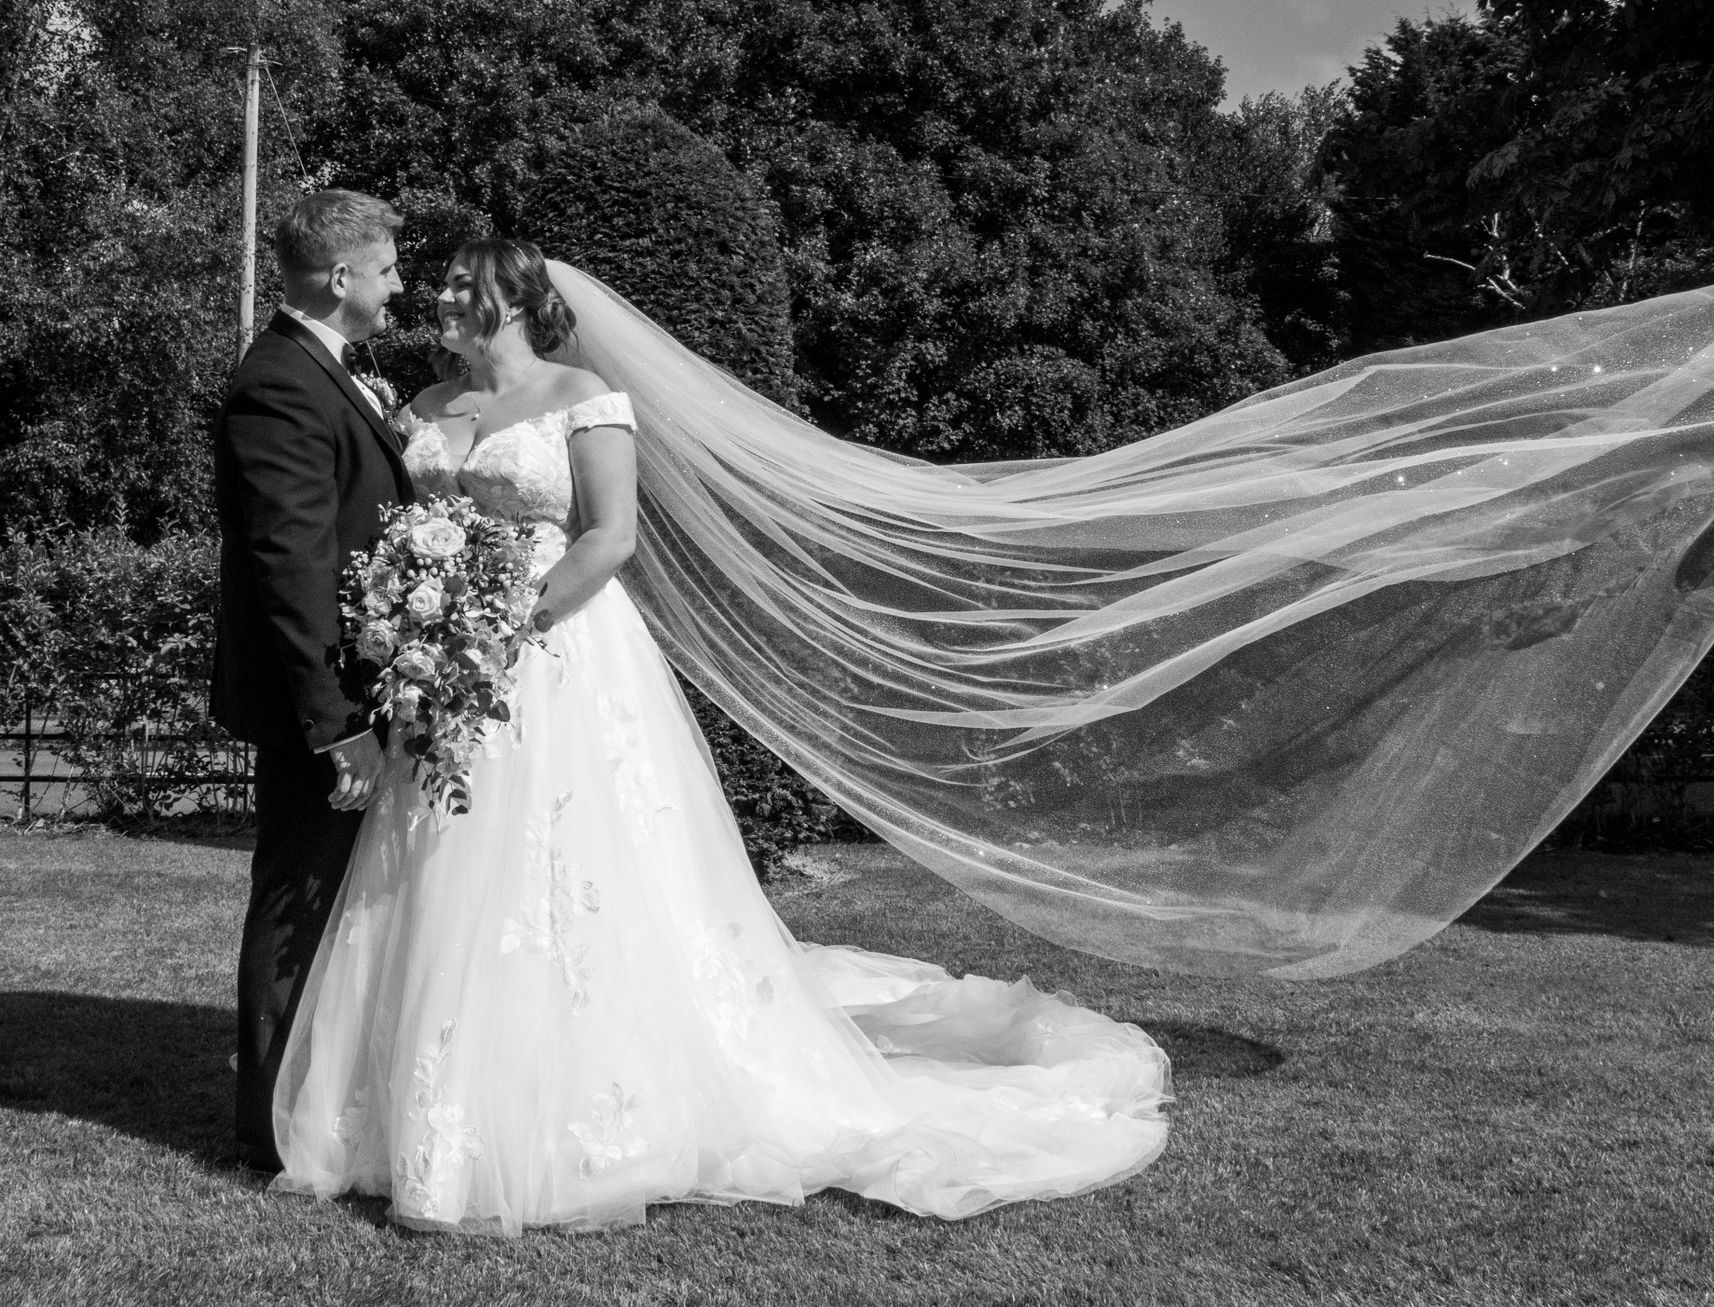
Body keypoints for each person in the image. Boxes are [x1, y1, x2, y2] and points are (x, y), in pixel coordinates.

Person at [269, 238, 1173, 1232]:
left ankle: (574, 1116)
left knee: (562, 875)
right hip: (443, 668)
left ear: (515, 301)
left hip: (557, 652)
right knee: (432, 866)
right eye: (434, 281)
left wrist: (508, 629)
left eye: (457, 284)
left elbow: (610, 535)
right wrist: (419, 619)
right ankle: (409, 1120)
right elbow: (398, 525)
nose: (437, 295)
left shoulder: (583, 396)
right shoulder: (425, 411)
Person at [212, 190, 414, 1173]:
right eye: (386, 270)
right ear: (341, 279)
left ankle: (312, 1099)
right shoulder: (280, 384)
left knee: (330, 898)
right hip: (319, 701)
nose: (398, 285)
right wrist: (335, 723)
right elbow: (290, 566)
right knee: (297, 897)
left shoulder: (326, 373)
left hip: (355, 686)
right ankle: (270, 1129)